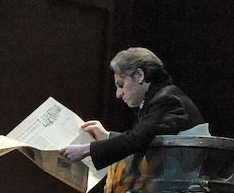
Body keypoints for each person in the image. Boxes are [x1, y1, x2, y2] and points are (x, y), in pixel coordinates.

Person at [60, 48, 204, 169]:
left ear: (139, 75)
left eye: (121, 84)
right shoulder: (158, 98)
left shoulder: (167, 100)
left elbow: (137, 139)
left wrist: (87, 149)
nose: (118, 94)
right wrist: (106, 136)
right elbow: (144, 139)